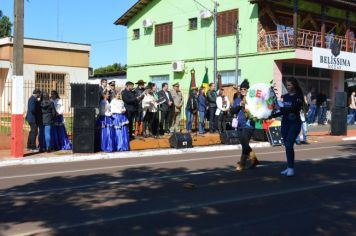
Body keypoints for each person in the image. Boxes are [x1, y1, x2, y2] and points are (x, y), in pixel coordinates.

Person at [273, 77, 304, 177]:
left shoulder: (299, 96)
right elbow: (282, 111)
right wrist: (269, 115)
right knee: (287, 145)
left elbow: (294, 108)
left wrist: (281, 108)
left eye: (289, 85)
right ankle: (289, 166)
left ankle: (291, 168)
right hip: (285, 123)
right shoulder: (285, 96)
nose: (288, 87)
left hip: (294, 124)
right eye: (287, 85)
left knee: (289, 144)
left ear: (294, 85)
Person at [230, 79, 259, 171]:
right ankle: (254, 159)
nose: (243, 90)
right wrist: (240, 105)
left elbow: (257, 110)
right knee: (244, 144)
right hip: (239, 124)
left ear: (248, 90)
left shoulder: (252, 99)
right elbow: (232, 111)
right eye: (241, 89)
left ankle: (242, 164)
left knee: (245, 143)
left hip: (249, 124)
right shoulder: (237, 99)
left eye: (245, 89)